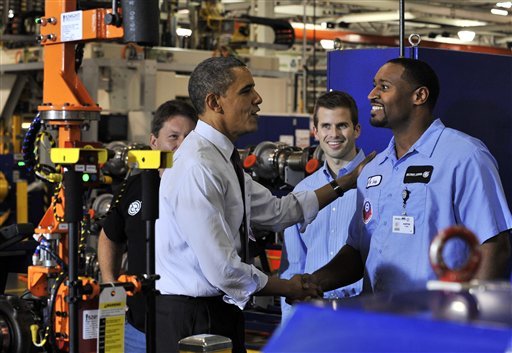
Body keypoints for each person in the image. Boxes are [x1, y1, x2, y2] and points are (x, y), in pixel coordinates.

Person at [154, 56, 375, 353]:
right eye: (247, 91)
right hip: (194, 319)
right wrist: (289, 287)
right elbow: (222, 268)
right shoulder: (198, 166)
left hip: (219, 311)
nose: (258, 99)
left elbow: (278, 211)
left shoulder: (221, 160)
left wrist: (344, 184)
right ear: (215, 102)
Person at [309, 57, 512, 295]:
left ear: (419, 96)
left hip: (435, 322)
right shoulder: (374, 169)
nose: (371, 95)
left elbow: (494, 247)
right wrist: (313, 282)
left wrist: (468, 320)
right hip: (378, 318)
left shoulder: (464, 156)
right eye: (374, 85)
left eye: (383, 87)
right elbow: (357, 251)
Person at [97, 100, 198, 353]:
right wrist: (111, 286)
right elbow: (109, 235)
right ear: (154, 142)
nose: (182, 144)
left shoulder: (201, 188)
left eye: (189, 137)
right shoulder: (135, 186)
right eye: (173, 136)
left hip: (185, 327)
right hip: (136, 326)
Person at [279, 90, 364, 323]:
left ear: (357, 130)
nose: (333, 134)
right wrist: (290, 328)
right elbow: (293, 267)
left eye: (342, 125)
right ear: (315, 131)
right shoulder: (303, 191)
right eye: (326, 126)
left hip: (362, 314)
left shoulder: (378, 182)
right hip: (315, 316)